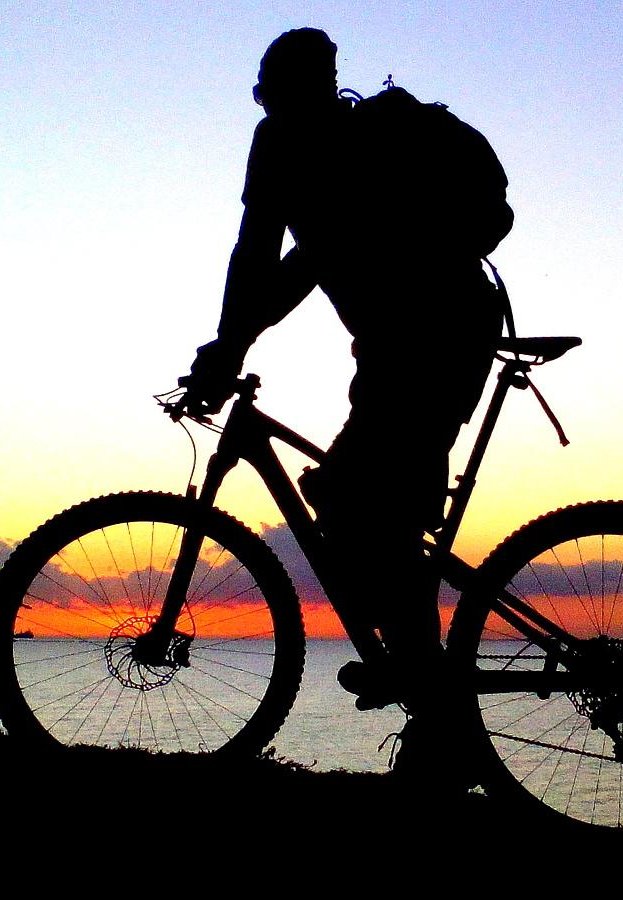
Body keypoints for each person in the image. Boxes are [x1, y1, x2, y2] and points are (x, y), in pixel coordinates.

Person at [178, 28, 512, 779]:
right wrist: (229, 342)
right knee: (364, 509)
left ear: (317, 88)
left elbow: (288, 263)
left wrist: (229, 348)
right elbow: (262, 254)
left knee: (361, 509)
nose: (269, 106)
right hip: (394, 350)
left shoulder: (359, 148)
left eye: (276, 92)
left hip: (440, 336)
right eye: (266, 95)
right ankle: (433, 704)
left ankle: (442, 718)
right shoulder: (282, 146)